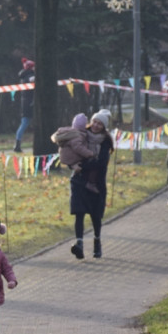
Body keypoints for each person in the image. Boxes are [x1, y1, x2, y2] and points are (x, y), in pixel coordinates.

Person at [69, 110, 113, 259]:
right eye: (95, 121)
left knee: (95, 217)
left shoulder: (105, 141)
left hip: (96, 184)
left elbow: (101, 164)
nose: (96, 125)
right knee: (79, 213)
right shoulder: (81, 134)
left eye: (100, 124)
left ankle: (97, 243)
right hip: (79, 182)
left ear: (104, 127)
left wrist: (82, 166)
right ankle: (79, 244)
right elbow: (70, 153)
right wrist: (73, 166)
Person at [52, 113, 99, 193]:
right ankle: (88, 184)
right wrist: (89, 153)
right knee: (89, 167)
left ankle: (76, 170)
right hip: (71, 157)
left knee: (79, 169)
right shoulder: (77, 135)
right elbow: (78, 148)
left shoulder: (71, 132)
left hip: (66, 156)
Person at [14, 57, 35, 152]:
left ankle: (17, 144)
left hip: (26, 103)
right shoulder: (28, 76)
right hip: (29, 103)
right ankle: (17, 144)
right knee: (25, 123)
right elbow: (33, 79)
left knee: (24, 123)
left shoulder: (24, 76)